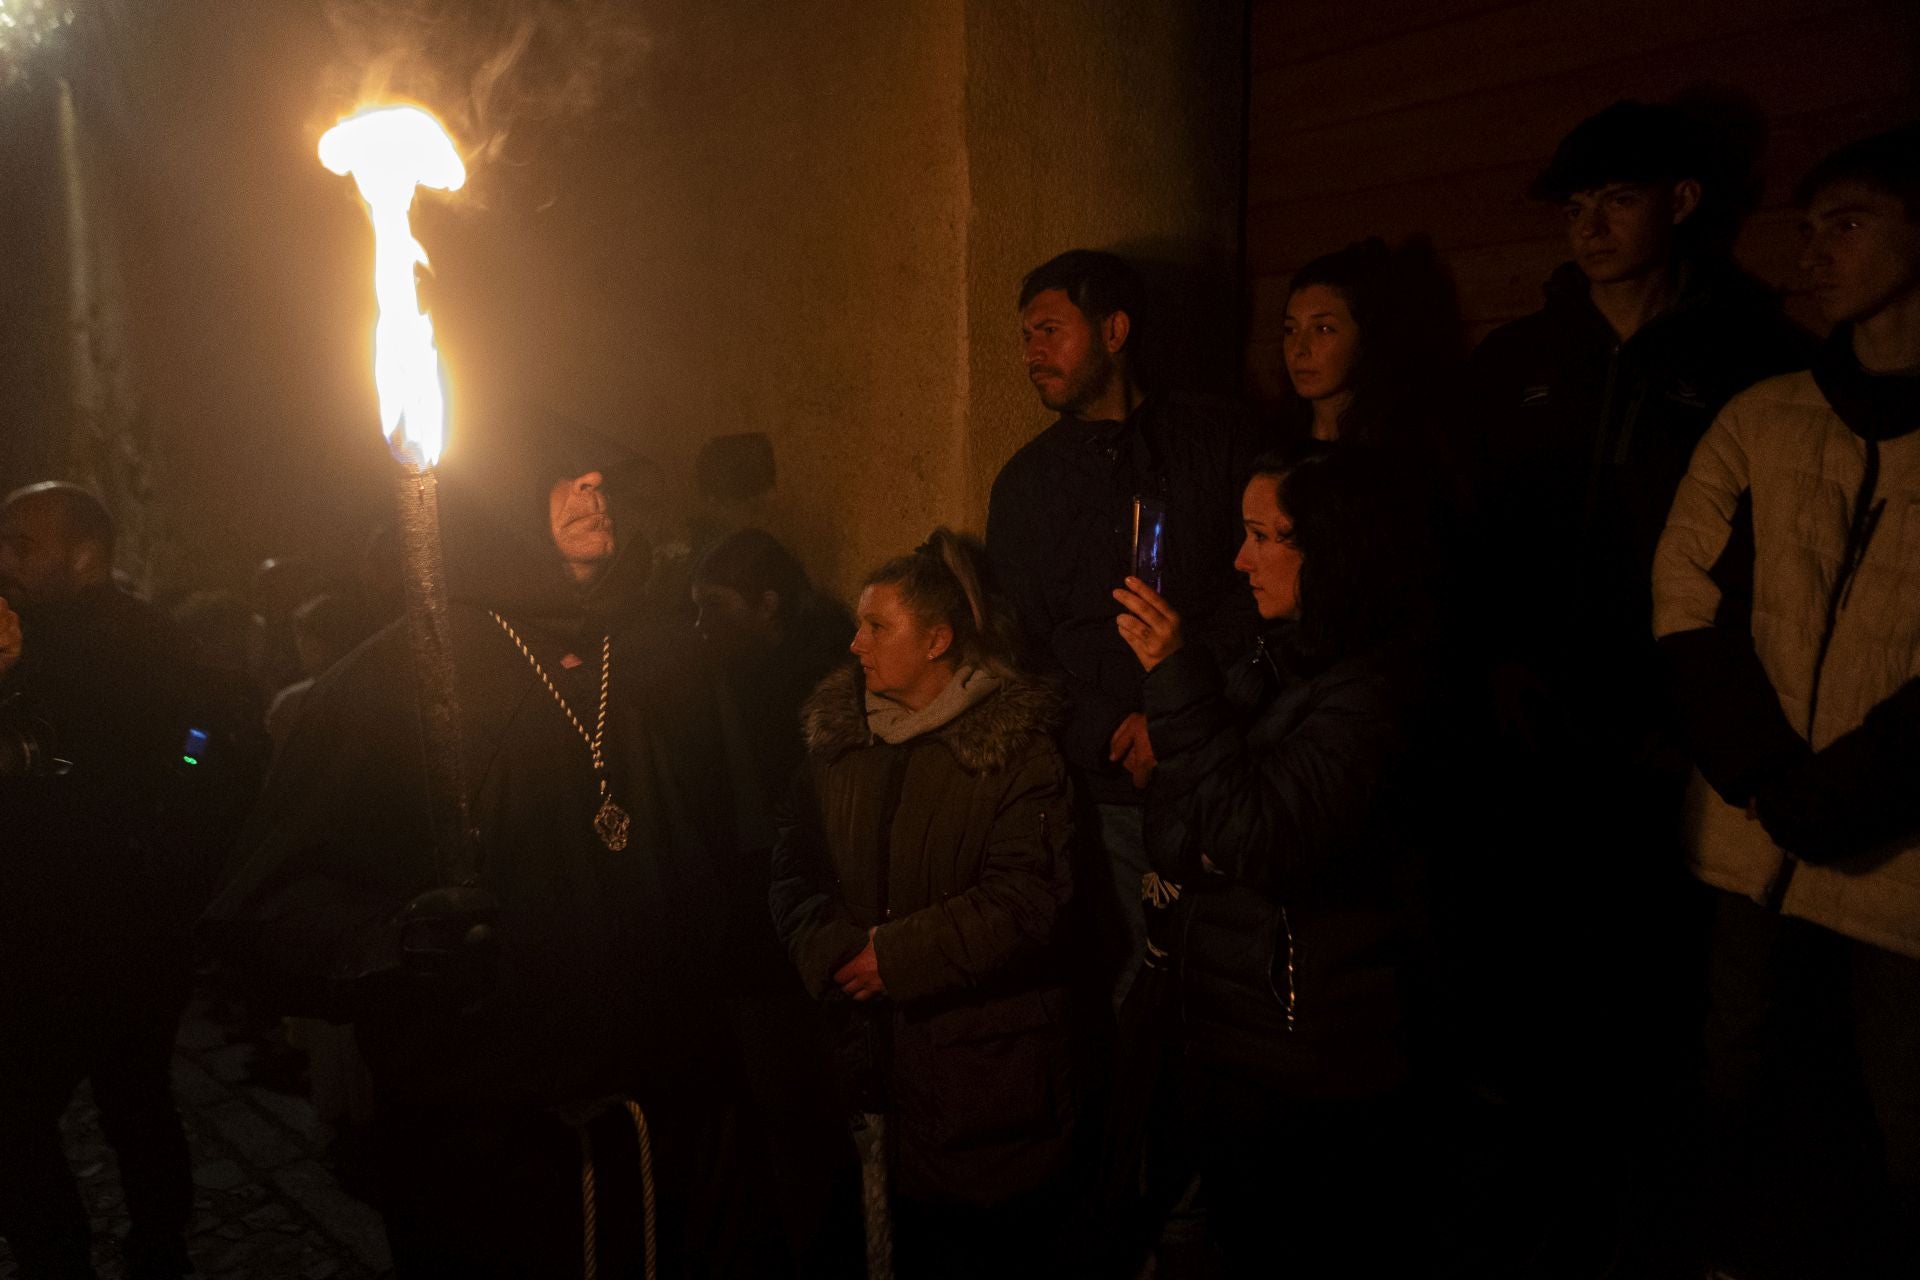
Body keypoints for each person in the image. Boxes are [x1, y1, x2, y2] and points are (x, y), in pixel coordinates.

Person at [199, 419, 790, 1277]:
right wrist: (394, 942)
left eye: (597, 474)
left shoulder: (665, 656)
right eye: (559, 476)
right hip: (494, 1144)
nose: (591, 488)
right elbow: (268, 907)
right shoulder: (394, 678)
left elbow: (736, 858)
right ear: (491, 509)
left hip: (680, 1121)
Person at [1461, 98, 1810, 1265]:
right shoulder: (1518, 361)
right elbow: (1473, 534)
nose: (1590, 224)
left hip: (1673, 735)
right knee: (1531, 992)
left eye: (1615, 197)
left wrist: (1696, 716)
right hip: (1529, 724)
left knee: (1665, 1004)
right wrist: (1497, 663)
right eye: (1575, 204)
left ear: (1683, 201)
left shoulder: (1750, 361)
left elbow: (1770, 559)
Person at [1653, 122, 1920, 1280]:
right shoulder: (1766, 417)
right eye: (1806, 228)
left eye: (1846, 223)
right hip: (1752, 826)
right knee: (1737, 1060)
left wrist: (1862, 780)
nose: (1815, 251)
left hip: (1901, 854)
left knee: (1903, 1093)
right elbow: (1684, 593)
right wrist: (1764, 770)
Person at [1113, 443, 1431, 1277]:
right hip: (1238, 1029)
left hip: (1307, 1051)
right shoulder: (1276, 661)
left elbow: (1256, 838)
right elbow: (1178, 833)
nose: (1239, 558)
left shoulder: (1367, 695)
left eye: (1264, 536)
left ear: (1330, 548)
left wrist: (1178, 683)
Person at [770, 529, 1079, 1279]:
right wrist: (834, 950)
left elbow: (1028, 897)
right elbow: (793, 864)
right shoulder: (841, 744)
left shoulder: (1014, 752)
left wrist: (896, 960)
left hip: (977, 1095)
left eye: (878, 626)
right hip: (864, 1073)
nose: (855, 643)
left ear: (938, 639)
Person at [986, 248, 1265, 1008]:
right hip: (1101, 788)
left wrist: (1183, 710)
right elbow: (1022, 648)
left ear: (1114, 329)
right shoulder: (1026, 486)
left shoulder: (1221, 440)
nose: (1032, 353)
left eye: (1049, 329)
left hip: (1223, 766)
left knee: (1222, 983)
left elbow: (1259, 596)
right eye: (1024, 336)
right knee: (1119, 985)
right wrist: (1112, 730)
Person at [0, 482, 199, 1279]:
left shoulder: (135, 640)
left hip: (105, 930)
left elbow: (200, 744)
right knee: (127, 1105)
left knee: (112, 1105)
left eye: (21, 545)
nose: (5, 562)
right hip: (58, 922)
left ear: (84, 555)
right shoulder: (26, 639)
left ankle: (126, 1251)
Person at [692, 527, 854, 790]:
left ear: (767, 605)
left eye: (715, 605)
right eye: (699, 607)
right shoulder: (741, 669)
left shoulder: (822, 676)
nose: (701, 623)